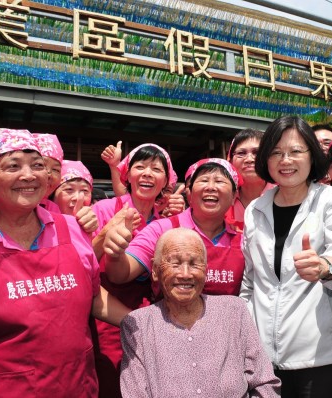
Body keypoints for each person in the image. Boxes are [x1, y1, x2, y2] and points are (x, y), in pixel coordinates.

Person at [0, 128, 130, 397]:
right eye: (13, 166)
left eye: (38, 165)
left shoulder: (71, 230)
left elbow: (94, 297)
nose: (28, 175)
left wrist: (142, 323)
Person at [240, 115, 332, 398]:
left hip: (322, 359)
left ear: (312, 156)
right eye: (276, 153)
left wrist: (325, 265)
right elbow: (250, 281)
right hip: (264, 362)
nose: (286, 160)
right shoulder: (255, 210)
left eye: (295, 151)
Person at [120, 227, 281, 397]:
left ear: (205, 270)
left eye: (194, 264)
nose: (185, 274)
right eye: (175, 264)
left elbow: (264, 382)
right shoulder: (138, 326)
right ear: (155, 270)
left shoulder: (234, 311)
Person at [91, 143, 174, 398]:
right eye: (140, 166)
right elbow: (82, 264)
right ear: (127, 175)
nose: (147, 173)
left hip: (147, 316)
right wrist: (107, 234)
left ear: (166, 181)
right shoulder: (105, 210)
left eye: (156, 169)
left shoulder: (165, 223)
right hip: (103, 314)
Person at [103, 158, 244, 297]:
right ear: (189, 194)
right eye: (204, 180)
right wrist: (115, 253)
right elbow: (120, 275)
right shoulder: (161, 229)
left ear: (233, 196)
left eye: (220, 181)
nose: (211, 187)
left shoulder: (244, 241)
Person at [226, 128, 273, 231]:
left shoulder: (284, 194)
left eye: (257, 152)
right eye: (241, 153)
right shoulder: (222, 198)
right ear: (230, 160)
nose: (249, 159)